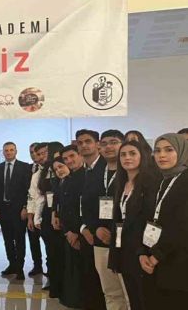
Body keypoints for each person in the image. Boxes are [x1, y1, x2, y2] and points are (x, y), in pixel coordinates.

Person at [108, 141, 160, 310]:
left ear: (142, 156)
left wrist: (146, 250)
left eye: (132, 153)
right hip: (123, 247)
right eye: (123, 154)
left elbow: (151, 219)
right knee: (132, 295)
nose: (127, 158)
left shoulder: (151, 183)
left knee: (145, 296)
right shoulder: (121, 183)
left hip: (141, 248)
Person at [139, 133, 188, 307]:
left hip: (178, 262)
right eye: (157, 150)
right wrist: (143, 252)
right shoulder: (160, 180)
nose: (162, 155)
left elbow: (182, 226)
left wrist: (156, 256)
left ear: (182, 152)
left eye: (169, 150)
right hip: (154, 258)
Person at [84, 130, 127, 310]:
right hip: (101, 239)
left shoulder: (131, 172)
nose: (109, 146)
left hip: (125, 241)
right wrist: (95, 229)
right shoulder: (94, 173)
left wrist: (116, 232)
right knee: (110, 291)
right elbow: (87, 205)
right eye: (104, 143)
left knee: (129, 292)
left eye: (114, 142)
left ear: (123, 144)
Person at [76, 129, 108, 310]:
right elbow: (82, 204)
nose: (84, 145)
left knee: (105, 284)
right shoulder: (84, 171)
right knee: (90, 276)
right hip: (87, 231)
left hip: (103, 232)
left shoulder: (106, 167)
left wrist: (94, 229)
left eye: (88, 141)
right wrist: (83, 227)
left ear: (97, 144)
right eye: (80, 143)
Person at [0, 141, 32, 280]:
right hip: (4, 209)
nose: (9, 152)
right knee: (8, 240)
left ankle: (20, 268)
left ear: (16, 151)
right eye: (6, 150)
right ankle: (12, 264)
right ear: (3, 152)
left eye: (11, 150)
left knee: (19, 239)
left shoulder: (25, 167)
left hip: (19, 210)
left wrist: (25, 207)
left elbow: (29, 189)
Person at [56, 145, 85, 309]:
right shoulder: (69, 179)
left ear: (80, 155)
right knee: (72, 267)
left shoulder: (86, 177)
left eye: (72, 156)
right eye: (65, 159)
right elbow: (65, 207)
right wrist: (67, 231)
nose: (69, 161)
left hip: (82, 231)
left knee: (82, 269)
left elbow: (84, 208)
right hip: (69, 230)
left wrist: (76, 231)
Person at [40, 142, 65, 298]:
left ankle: (61, 286)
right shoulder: (46, 171)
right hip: (49, 215)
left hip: (63, 217)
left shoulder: (65, 171)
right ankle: (53, 283)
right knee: (51, 252)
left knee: (60, 254)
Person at [25, 142, 45, 276]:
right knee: (33, 240)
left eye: (37, 153)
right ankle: (37, 265)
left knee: (49, 242)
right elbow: (28, 193)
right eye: (32, 152)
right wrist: (29, 214)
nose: (34, 155)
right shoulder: (26, 169)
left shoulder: (51, 169)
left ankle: (51, 269)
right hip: (31, 210)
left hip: (46, 212)